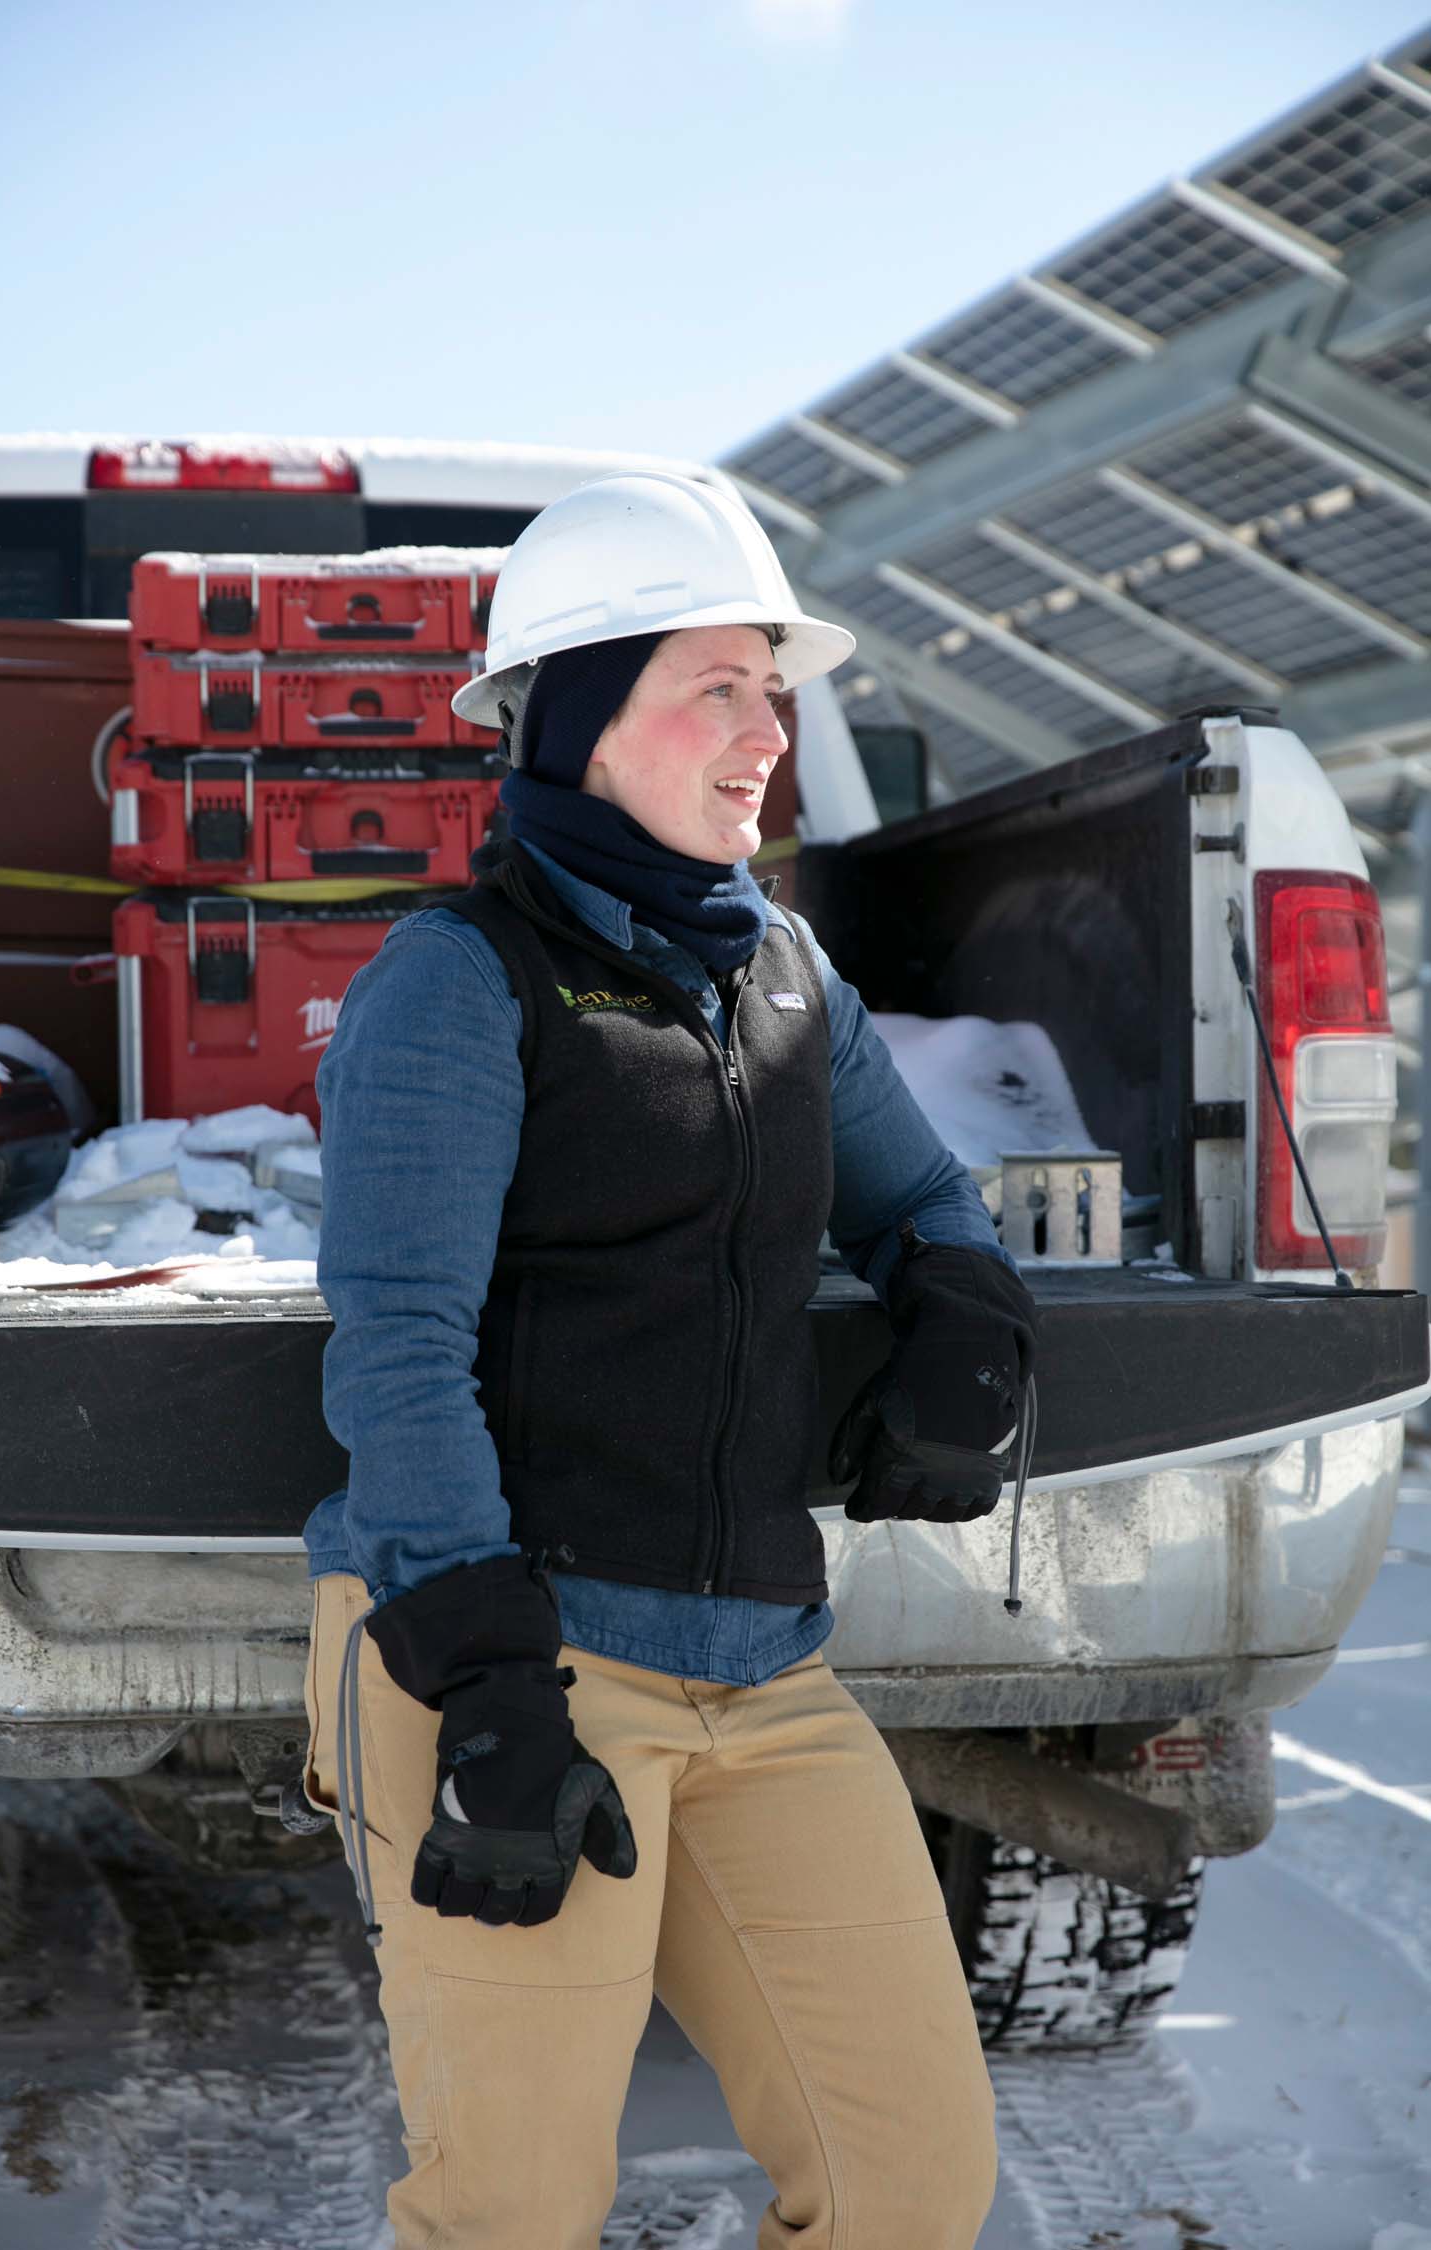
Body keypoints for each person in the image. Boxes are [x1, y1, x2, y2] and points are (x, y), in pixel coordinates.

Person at [301, 471, 1038, 2250]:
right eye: (720, 683)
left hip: (760, 1671)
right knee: (517, 2209)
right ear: (576, 714)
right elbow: (399, 1347)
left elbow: (930, 1196)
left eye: (774, 689)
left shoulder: (785, 975)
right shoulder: (458, 978)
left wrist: (965, 1306)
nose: (768, 731)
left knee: (908, 2184)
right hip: (504, 1653)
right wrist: (486, 1680)